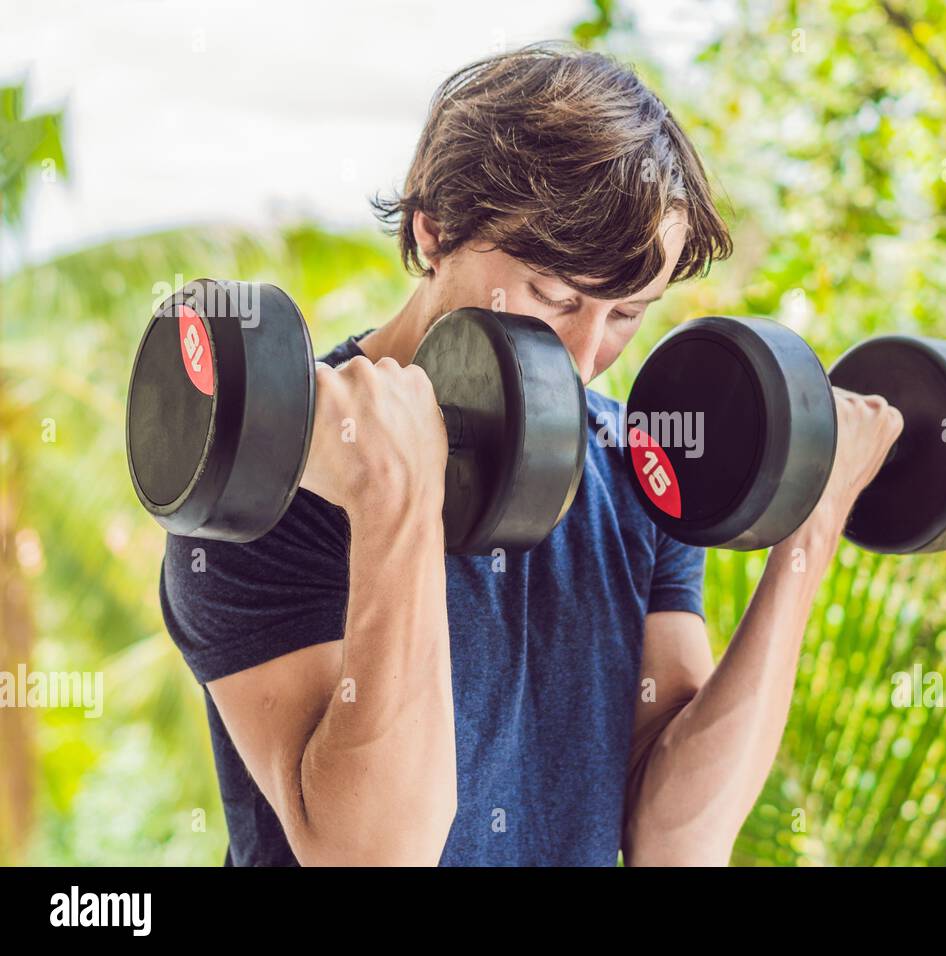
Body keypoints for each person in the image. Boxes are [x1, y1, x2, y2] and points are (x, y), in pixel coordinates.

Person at [161, 43, 903, 866]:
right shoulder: (283, 476)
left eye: (627, 314)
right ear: (435, 230)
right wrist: (393, 500)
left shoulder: (632, 466)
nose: (587, 361)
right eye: (557, 298)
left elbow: (676, 840)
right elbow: (373, 853)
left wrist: (813, 524)